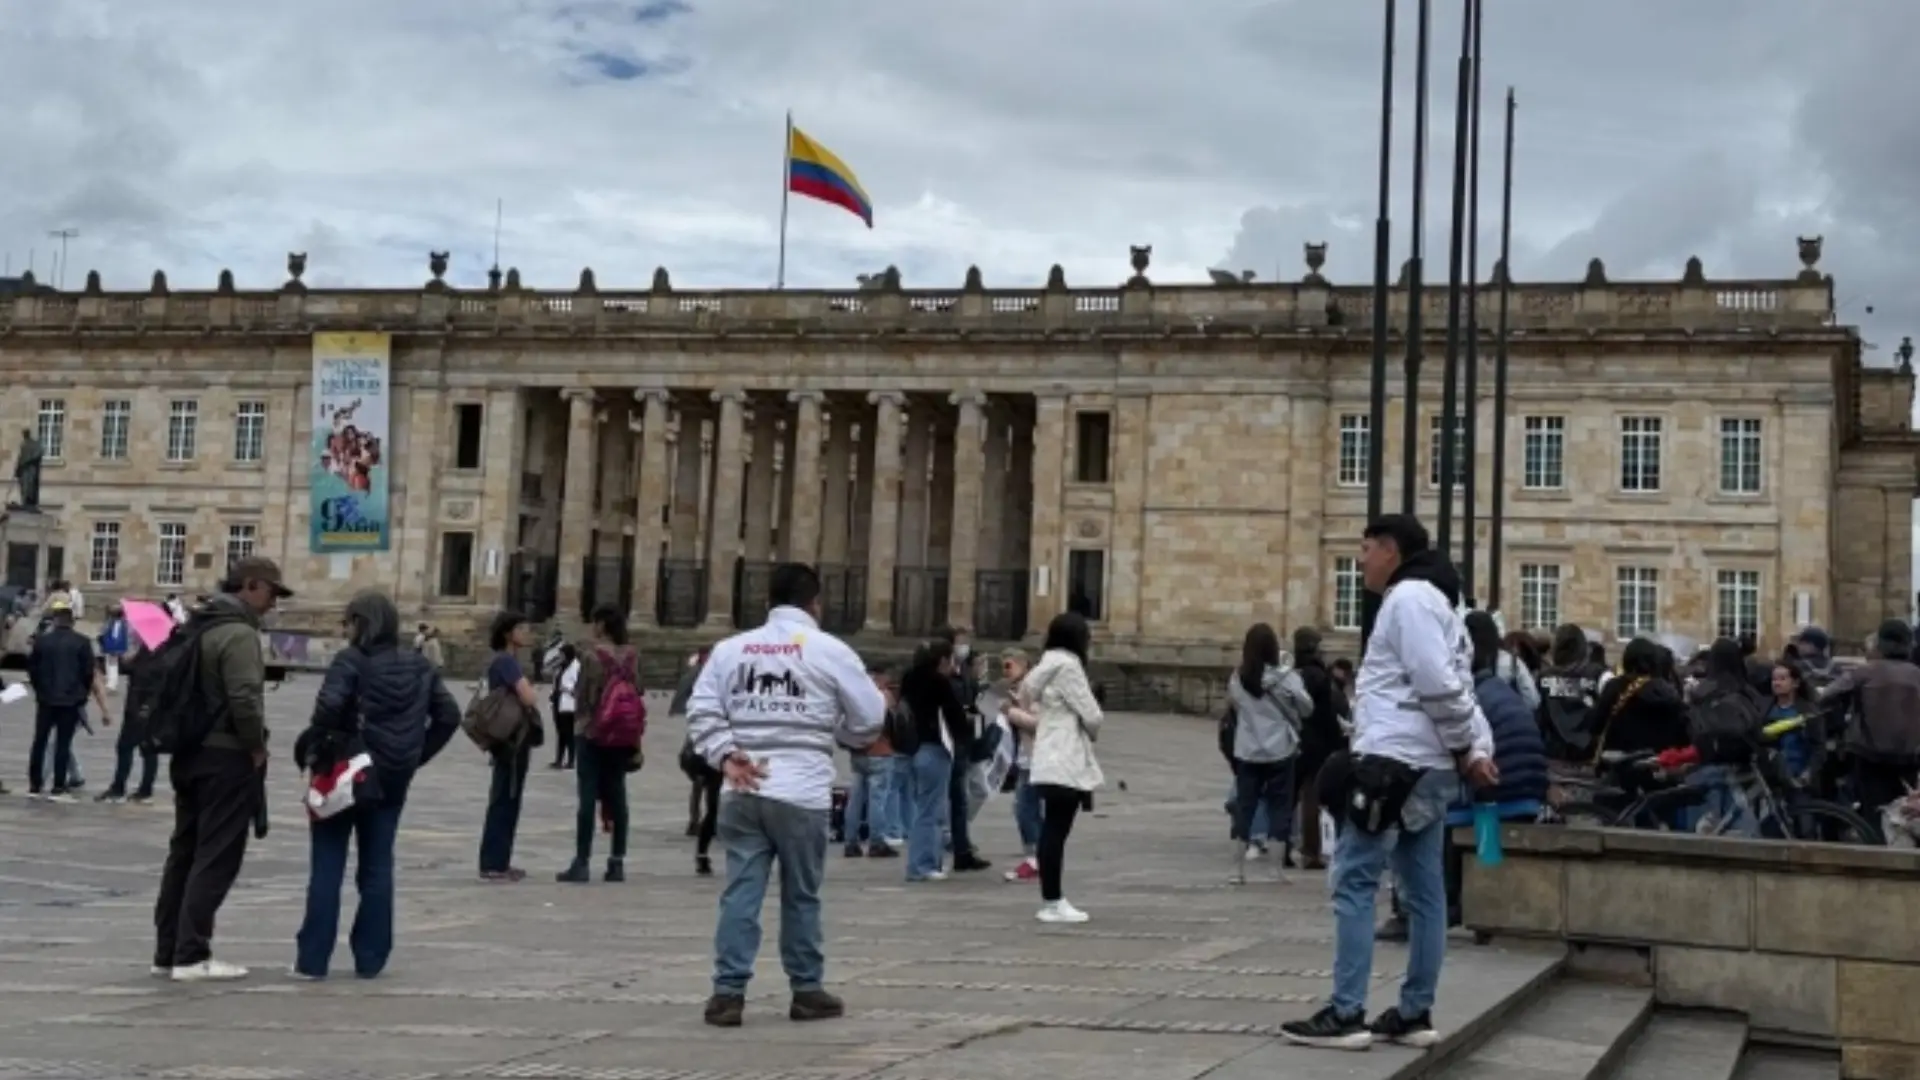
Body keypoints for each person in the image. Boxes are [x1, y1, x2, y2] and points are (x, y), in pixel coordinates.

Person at [1282, 515, 1495, 1052]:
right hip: (1426, 766)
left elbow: (1438, 683)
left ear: (1392, 550)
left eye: (1366, 547)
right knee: (1424, 890)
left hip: (1395, 764)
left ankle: (1347, 1011)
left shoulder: (1409, 600)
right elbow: (1461, 686)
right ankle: (1414, 1010)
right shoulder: (1444, 604)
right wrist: (1473, 746)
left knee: (1354, 879)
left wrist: (1470, 747)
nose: (1361, 560)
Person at [685, 562, 886, 1027]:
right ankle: (806, 989)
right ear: (815, 602)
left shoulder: (731, 649)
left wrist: (724, 754)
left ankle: (727, 993)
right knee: (801, 894)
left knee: (740, 892)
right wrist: (839, 730)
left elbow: (701, 707)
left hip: (743, 783)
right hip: (801, 789)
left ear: (768, 603)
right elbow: (870, 717)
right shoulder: (830, 651)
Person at [293, 590, 461, 979]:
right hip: (392, 777)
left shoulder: (350, 661)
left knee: (327, 863)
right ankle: (371, 957)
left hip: (345, 772)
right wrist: (416, 755)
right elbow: (448, 715)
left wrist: (328, 743)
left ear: (360, 623)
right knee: (377, 866)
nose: (345, 628)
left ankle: (313, 958)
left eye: (348, 621)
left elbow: (327, 711)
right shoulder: (419, 665)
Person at [153, 556, 290, 982]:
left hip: (189, 752)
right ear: (250, 586)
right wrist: (255, 748)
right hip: (225, 754)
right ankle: (192, 954)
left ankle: (168, 951)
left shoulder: (199, 624)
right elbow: (245, 698)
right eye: (271, 592)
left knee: (185, 851)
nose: (272, 603)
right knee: (216, 854)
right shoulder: (239, 633)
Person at [1021, 612, 1104, 923]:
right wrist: (1092, 729)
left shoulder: (1045, 666)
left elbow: (1029, 699)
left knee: (1051, 830)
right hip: (1065, 758)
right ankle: (1053, 900)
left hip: (1047, 757)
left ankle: (1052, 898)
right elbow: (1092, 714)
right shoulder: (1069, 667)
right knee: (1056, 830)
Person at [557, 604, 641, 884]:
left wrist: (585, 722)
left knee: (587, 798)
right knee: (618, 795)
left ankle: (581, 862)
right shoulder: (631, 655)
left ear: (601, 625)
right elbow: (637, 691)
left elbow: (583, 696)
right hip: (621, 735)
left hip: (593, 732)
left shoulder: (591, 655)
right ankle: (616, 863)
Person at [1226, 623, 1312, 875]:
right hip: (1280, 749)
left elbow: (1237, 706)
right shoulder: (1287, 678)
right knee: (1279, 806)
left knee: (1245, 806)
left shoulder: (1237, 679)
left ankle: (1237, 869)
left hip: (1248, 749)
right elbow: (1307, 708)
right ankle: (1276, 868)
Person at [1819, 619, 1920, 819]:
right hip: (1909, 755)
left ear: (1880, 644)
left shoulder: (1865, 672)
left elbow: (1826, 696)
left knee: (1873, 809)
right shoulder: (1917, 674)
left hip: (1869, 753)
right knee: (1904, 810)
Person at [478, 611, 543, 882]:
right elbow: (528, 698)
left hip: (506, 737)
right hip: (512, 738)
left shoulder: (504, 661)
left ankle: (498, 860)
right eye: (521, 628)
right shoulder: (506, 662)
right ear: (508, 633)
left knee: (506, 797)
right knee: (506, 798)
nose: (526, 633)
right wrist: (531, 690)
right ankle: (494, 863)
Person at [899, 638, 970, 882]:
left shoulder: (909, 679)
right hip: (935, 747)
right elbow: (955, 717)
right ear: (942, 660)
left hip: (914, 746)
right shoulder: (939, 683)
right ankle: (922, 865)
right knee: (931, 811)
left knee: (924, 808)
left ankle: (926, 861)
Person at [25, 597, 109, 800]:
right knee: (63, 743)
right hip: (71, 700)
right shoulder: (81, 642)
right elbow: (88, 672)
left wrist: (40, 690)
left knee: (40, 742)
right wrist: (81, 694)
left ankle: (35, 784)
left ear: (55, 621)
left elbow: (32, 670)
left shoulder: (42, 642)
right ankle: (58, 785)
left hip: (46, 699)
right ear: (72, 622)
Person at [1291, 628, 1348, 871]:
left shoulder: (1294, 674)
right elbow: (1325, 713)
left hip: (1295, 739)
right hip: (1316, 742)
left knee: (1291, 796)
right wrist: (1337, 739)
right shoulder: (1319, 676)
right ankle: (1312, 851)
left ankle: (1284, 847)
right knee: (1312, 797)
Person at [1589, 638, 1691, 758]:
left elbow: (1596, 725)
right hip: (1659, 764)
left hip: (1619, 763)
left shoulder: (1615, 686)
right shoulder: (1669, 691)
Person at [843, 665, 900, 859]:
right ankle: (876, 842)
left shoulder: (855, 696)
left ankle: (850, 841)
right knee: (878, 800)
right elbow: (893, 722)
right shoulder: (883, 696)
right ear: (881, 676)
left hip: (859, 751)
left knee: (856, 799)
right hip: (880, 751)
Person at [996, 649, 1043, 882]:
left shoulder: (1033, 688)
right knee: (1029, 808)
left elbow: (1037, 722)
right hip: (1024, 757)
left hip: (1034, 758)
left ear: (1023, 665)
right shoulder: (1019, 688)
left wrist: (1010, 711)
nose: (1006, 671)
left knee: (1025, 809)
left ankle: (1035, 858)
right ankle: (1039, 856)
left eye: (1009, 666)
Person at [98, 642, 163, 804]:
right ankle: (143, 789)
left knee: (128, 747)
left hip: (142, 709)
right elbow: (128, 669)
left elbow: (144, 676)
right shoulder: (148, 651)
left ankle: (122, 788)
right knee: (146, 749)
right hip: (143, 709)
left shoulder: (156, 656)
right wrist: (118, 658)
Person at [549, 643, 581, 770]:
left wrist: (566, 689)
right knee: (560, 733)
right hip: (559, 702)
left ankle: (571, 760)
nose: (560, 656)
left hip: (569, 704)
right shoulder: (561, 667)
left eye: (562, 654)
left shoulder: (576, 667)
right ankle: (559, 759)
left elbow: (578, 687)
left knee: (569, 733)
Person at [99, 604, 130, 692]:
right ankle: (111, 681)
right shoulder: (124, 622)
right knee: (112, 663)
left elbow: (104, 632)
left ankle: (112, 682)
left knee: (111, 664)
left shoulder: (111, 622)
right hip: (117, 646)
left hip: (111, 645)